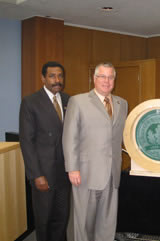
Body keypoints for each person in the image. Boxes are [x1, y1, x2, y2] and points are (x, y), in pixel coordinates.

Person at [62, 62, 128, 241]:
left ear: (114, 79)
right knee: (82, 222)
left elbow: (124, 136)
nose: (107, 81)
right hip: (85, 173)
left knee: (107, 222)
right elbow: (69, 137)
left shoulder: (122, 103)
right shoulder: (78, 101)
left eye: (110, 77)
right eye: (102, 76)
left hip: (112, 174)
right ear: (94, 78)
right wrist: (72, 168)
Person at [19, 61, 71, 241]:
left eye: (60, 75)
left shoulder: (68, 100)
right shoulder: (30, 102)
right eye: (52, 76)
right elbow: (26, 141)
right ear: (43, 78)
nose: (57, 80)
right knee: (44, 220)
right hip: (44, 174)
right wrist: (36, 175)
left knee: (62, 219)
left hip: (64, 173)